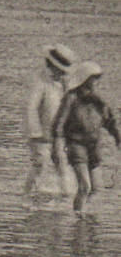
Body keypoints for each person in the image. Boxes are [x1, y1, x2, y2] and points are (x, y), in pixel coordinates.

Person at [51, 61, 120, 212]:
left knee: (95, 188)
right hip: (76, 145)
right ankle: (78, 218)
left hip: (93, 147)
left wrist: (117, 138)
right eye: (92, 79)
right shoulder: (71, 98)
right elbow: (59, 123)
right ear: (84, 79)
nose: (95, 82)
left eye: (96, 79)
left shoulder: (99, 102)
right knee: (85, 186)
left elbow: (110, 122)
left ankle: (82, 212)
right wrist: (56, 144)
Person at [25, 44, 77, 195]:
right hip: (41, 135)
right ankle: (28, 194)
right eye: (58, 70)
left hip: (58, 134)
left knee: (61, 163)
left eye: (63, 71)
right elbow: (31, 108)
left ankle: (66, 194)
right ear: (51, 66)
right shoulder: (41, 83)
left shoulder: (64, 86)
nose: (61, 74)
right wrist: (36, 132)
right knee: (39, 164)